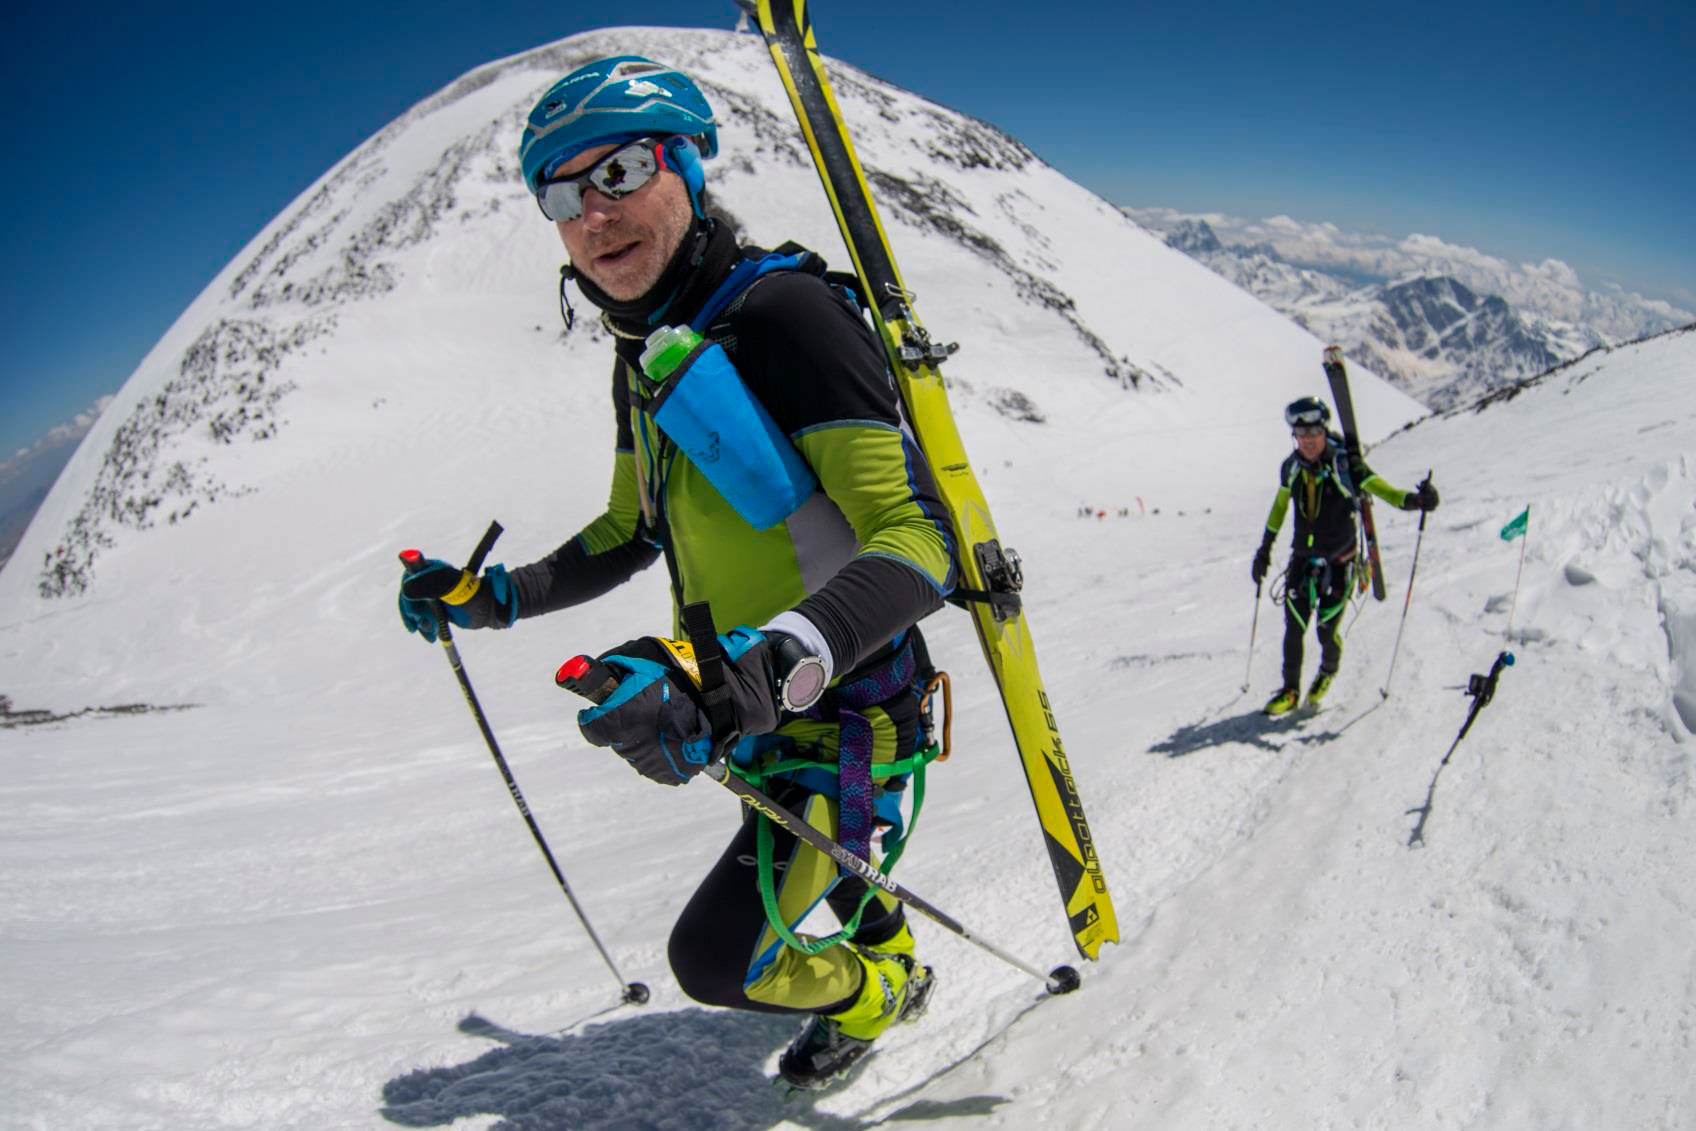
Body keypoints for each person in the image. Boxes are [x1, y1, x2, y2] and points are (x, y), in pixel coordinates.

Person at [394, 56, 955, 1090]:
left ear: (689, 167)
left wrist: (768, 662)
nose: (592, 217)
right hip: (742, 706)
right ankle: (883, 943)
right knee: (813, 856)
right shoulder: (649, 352)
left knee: (716, 958)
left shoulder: (787, 316)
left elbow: (921, 538)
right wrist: (493, 596)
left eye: (618, 173)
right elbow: (631, 530)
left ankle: (878, 992)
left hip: (844, 709)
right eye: (560, 196)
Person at [1251, 396, 1437, 716]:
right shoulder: (1291, 468)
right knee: (1294, 627)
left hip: (1340, 561)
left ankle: (1327, 670)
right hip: (1302, 559)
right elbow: (1280, 506)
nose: (1308, 440)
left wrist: (1416, 501)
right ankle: (1290, 690)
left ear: (1324, 431)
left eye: (1314, 432)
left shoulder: (1345, 465)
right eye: (1301, 434)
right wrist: (1264, 549)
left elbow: (1381, 489)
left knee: (1325, 630)